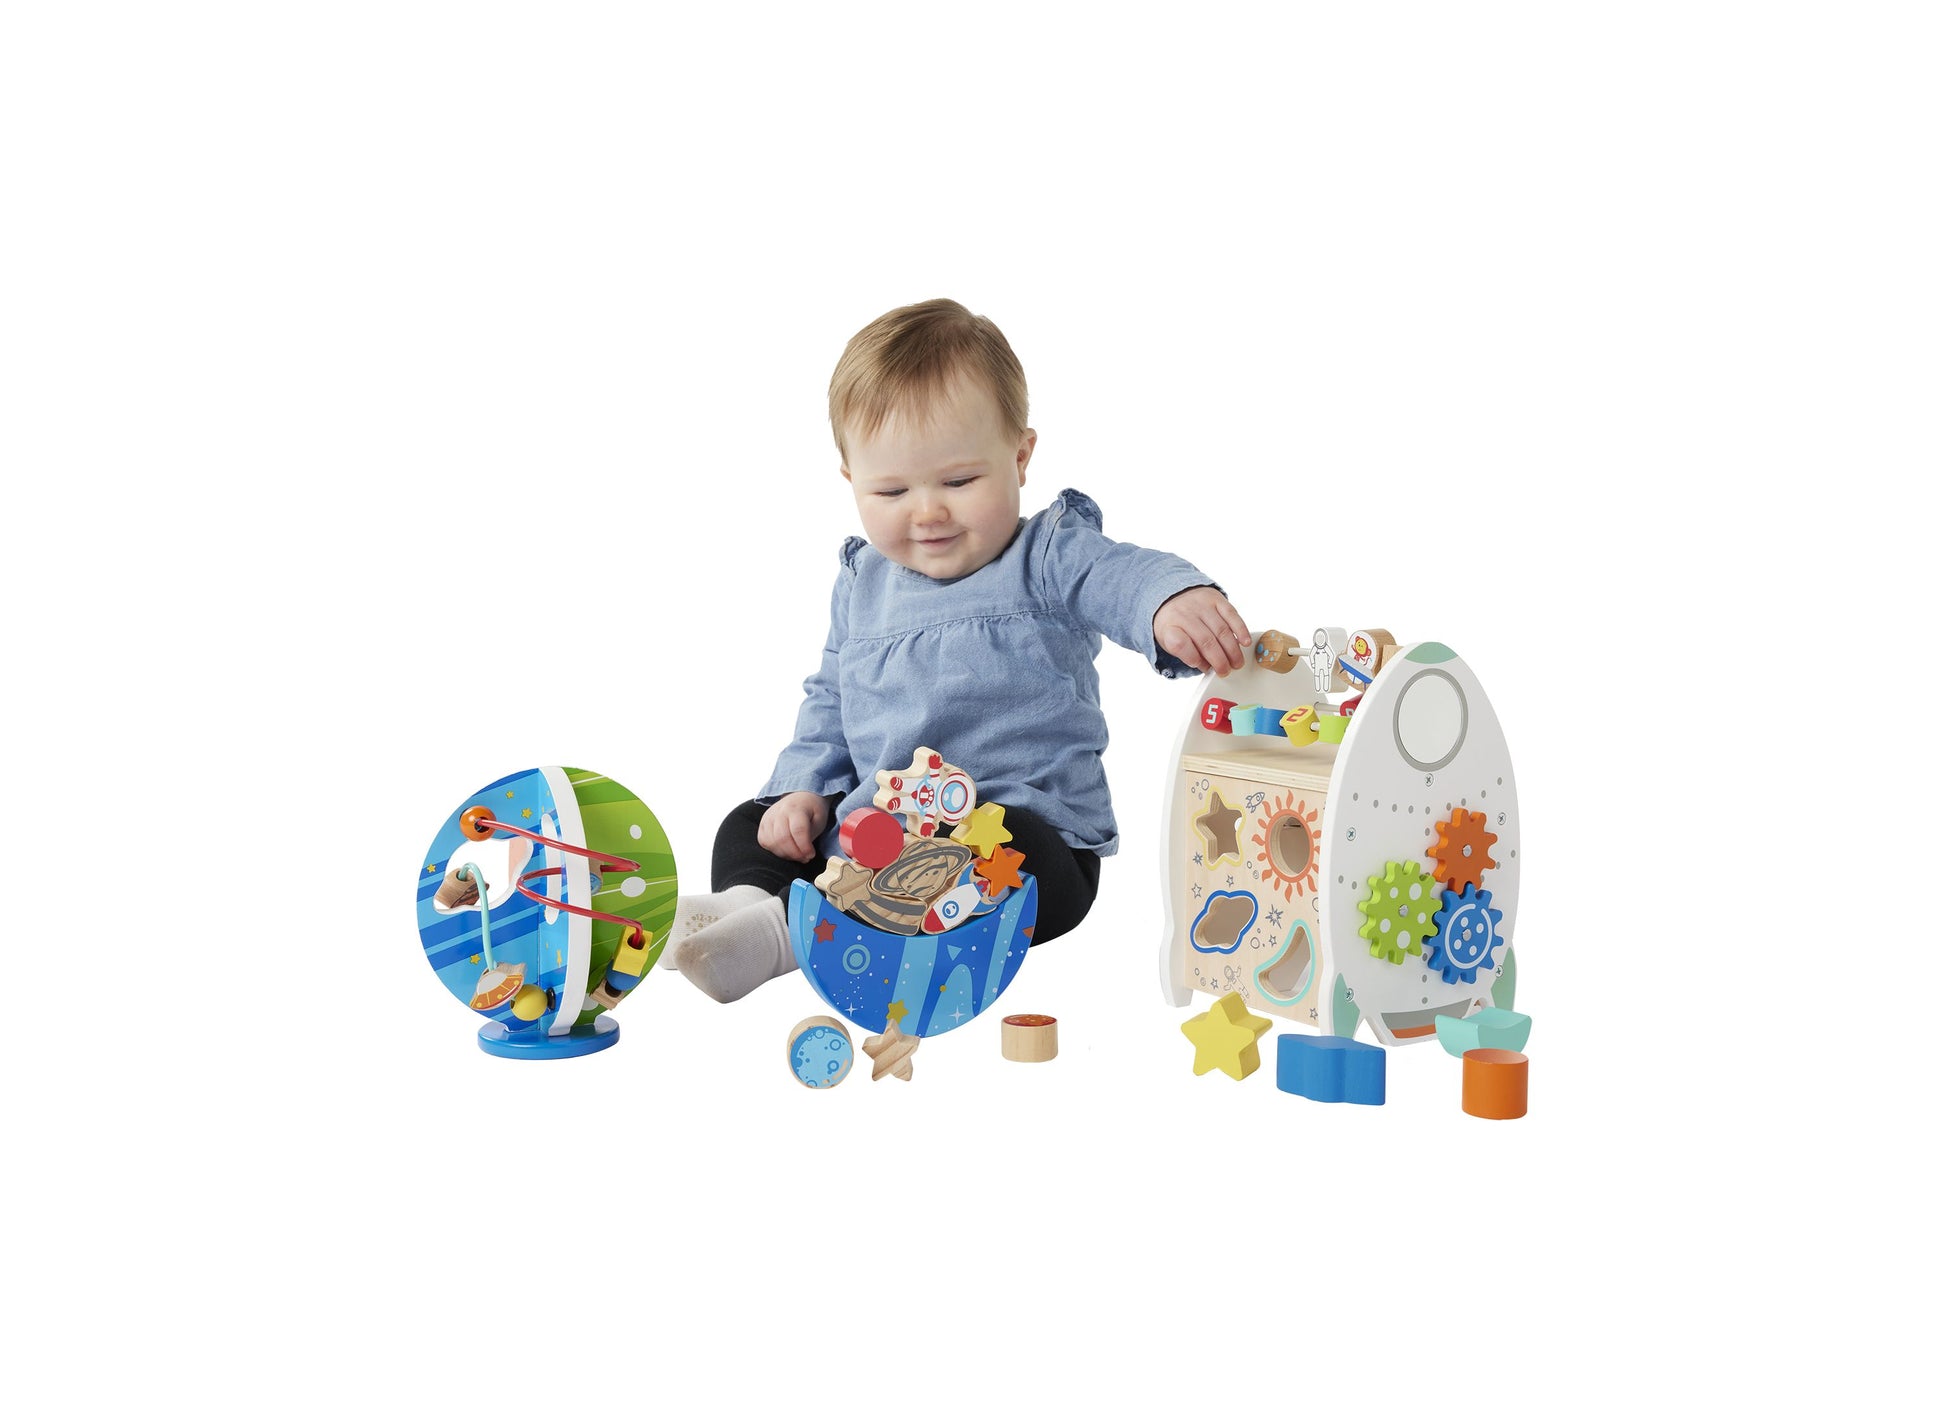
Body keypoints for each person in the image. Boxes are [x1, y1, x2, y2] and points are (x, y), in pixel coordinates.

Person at [671, 298, 1249, 1002]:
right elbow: (830, 703)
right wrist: (803, 792)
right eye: (891, 489)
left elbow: (1118, 575)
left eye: (958, 481)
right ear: (851, 481)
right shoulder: (863, 583)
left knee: (1008, 851)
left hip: (1016, 841)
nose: (928, 511)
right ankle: (745, 907)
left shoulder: (1047, 555)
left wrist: (1166, 600)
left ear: (1020, 456)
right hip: (875, 834)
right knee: (751, 823)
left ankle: (798, 932)